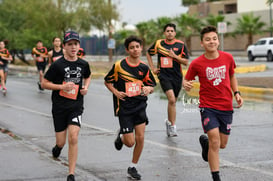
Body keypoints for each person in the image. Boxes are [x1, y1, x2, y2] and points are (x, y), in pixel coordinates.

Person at [183, 25, 243, 181]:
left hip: (226, 106)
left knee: (221, 144)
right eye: (208, 39)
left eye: (214, 39)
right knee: (215, 140)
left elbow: (232, 76)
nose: (212, 42)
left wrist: (236, 93)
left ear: (218, 41)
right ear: (202, 43)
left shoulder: (228, 58)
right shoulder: (197, 63)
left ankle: (205, 144)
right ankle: (216, 177)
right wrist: (186, 84)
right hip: (207, 106)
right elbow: (187, 79)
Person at [41, 30, 91, 181]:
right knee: (61, 141)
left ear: (79, 46)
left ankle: (71, 173)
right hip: (59, 107)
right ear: (64, 46)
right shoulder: (58, 65)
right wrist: (61, 87)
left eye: (75, 44)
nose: (73, 47)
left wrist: (85, 88)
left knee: (73, 137)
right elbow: (44, 83)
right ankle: (58, 148)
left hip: (76, 106)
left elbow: (88, 76)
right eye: (70, 44)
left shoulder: (83, 64)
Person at [104, 35, 156, 180]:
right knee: (130, 142)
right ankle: (121, 136)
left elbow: (152, 85)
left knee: (140, 138)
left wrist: (148, 89)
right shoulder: (119, 66)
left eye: (137, 47)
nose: (135, 50)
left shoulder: (144, 68)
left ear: (141, 48)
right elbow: (107, 81)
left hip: (140, 106)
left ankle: (133, 167)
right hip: (125, 108)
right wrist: (116, 92)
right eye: (132, 47)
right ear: (128, 50)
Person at [146, 23, 189, 137]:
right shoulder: (159, 44)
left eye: (172, 31)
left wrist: (175, 56)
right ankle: (173, 127)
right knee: (171, 99)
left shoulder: (181, 45)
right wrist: (153, 68)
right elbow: (148, 53)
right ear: (164, 33)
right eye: (167, 31)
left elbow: (185, 62)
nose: (170, 33)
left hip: (177, 76)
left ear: (175, 33)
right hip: (164, 75)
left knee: (173, 101)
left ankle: (169, 124)